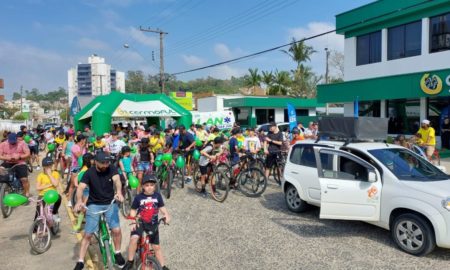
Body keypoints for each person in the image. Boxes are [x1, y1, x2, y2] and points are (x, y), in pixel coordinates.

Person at [74, 152, 125, 270]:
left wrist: (118, 192)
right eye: (103, 163)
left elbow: (117, 180)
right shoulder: (89, 172)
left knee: (116, 230)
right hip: (94, 204)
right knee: (88, 235)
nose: (106, 165)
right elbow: (81, 187)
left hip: (110, 203)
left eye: (107, 162)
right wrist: (79, 201)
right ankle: (81, 261)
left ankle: (117, 253)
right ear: (95, 162)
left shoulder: (111, 168)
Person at [122, 173, 171, 270]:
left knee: (156, 247)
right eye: (147, 185)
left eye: (152, 185)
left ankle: (162, 266)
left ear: (155, 186)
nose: (149, 188)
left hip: (153, 224)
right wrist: (133, 220)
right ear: (143, 186)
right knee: (134, 239)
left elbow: (162, 207)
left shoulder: (157, 196)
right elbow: (133, 210)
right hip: (140, 223)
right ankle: (130, 261)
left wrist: (166, 215)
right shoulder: (138, 197)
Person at [73, 153, 94, 232]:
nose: (93, 161)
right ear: (89, 160)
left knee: (85, 208)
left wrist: (77, 185)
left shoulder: (84, 168)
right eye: (92, 159)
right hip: (87, 191)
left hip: (86, 190)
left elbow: (76, 178)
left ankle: (79, 225)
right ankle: (79, 226)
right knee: (84, 208)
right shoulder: (86, 170)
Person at [35, 157, 61, 222]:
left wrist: (50, 175)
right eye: (47, 166)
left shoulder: (55, 173)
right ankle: (35, 226)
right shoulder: (40, 175)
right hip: (42, 194)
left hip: (53, 194)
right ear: (43, 167)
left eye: (50, 165)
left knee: (59, 198)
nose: (49, 167)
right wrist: (49, 185)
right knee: (38, 210)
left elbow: (55, 184)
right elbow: (38, 187)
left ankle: (55, 213)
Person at [67, 134, 87, 207]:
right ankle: (69, 200)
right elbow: (79, 156)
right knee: (73, 184)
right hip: (76, 167)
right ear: (81, 140)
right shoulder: (74, 147)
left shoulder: (84, 147)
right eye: (84, 139)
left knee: (82, 185)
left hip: (83, 167)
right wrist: (81, 147)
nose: (85, 140)